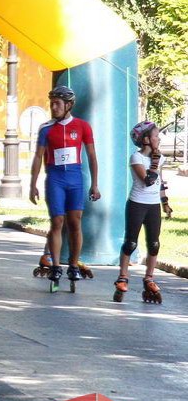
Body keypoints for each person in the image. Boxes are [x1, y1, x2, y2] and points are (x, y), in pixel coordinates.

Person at [29, 85, 101, 286]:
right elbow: (38, 157)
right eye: (51, 103)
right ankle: (55, 266)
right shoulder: (46, 128)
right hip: (55, 179)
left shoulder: (83, 126)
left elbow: (92, 156)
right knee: (57, 221)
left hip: (75, 179)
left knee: (75, 222)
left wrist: (95, 184)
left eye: (57, 103)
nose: (53, 107)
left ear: (68, 105)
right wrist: (33, 184)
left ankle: (73, 265)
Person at [113, 121, 172, 303]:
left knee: (154, 244)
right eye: (155, 136)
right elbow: (148, 180)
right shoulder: (136, 158)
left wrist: (165, 202)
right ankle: (123, 277)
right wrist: (155, 161)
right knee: (131, 243)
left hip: (153, 206)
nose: (158, 139)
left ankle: (149, 278)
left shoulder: (160, 158)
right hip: (137, 204)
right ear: (146, 139)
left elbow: (159, 182)